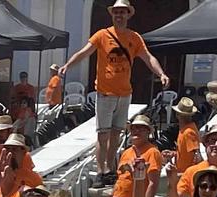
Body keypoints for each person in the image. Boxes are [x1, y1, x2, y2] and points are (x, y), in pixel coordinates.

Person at [54, 0, 169, 176]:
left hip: (125, 94)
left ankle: (110, 167)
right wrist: (67, 65)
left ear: (128, 15)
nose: (119, 15)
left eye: (122, 12)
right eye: (116, 12)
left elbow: (148, 58)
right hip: (105, 93)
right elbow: (84, 52)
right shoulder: (102, 35)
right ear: (112, 15)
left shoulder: (134, 37)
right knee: (103, 134)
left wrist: (161, 73)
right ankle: (101, 171)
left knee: (116, 134)